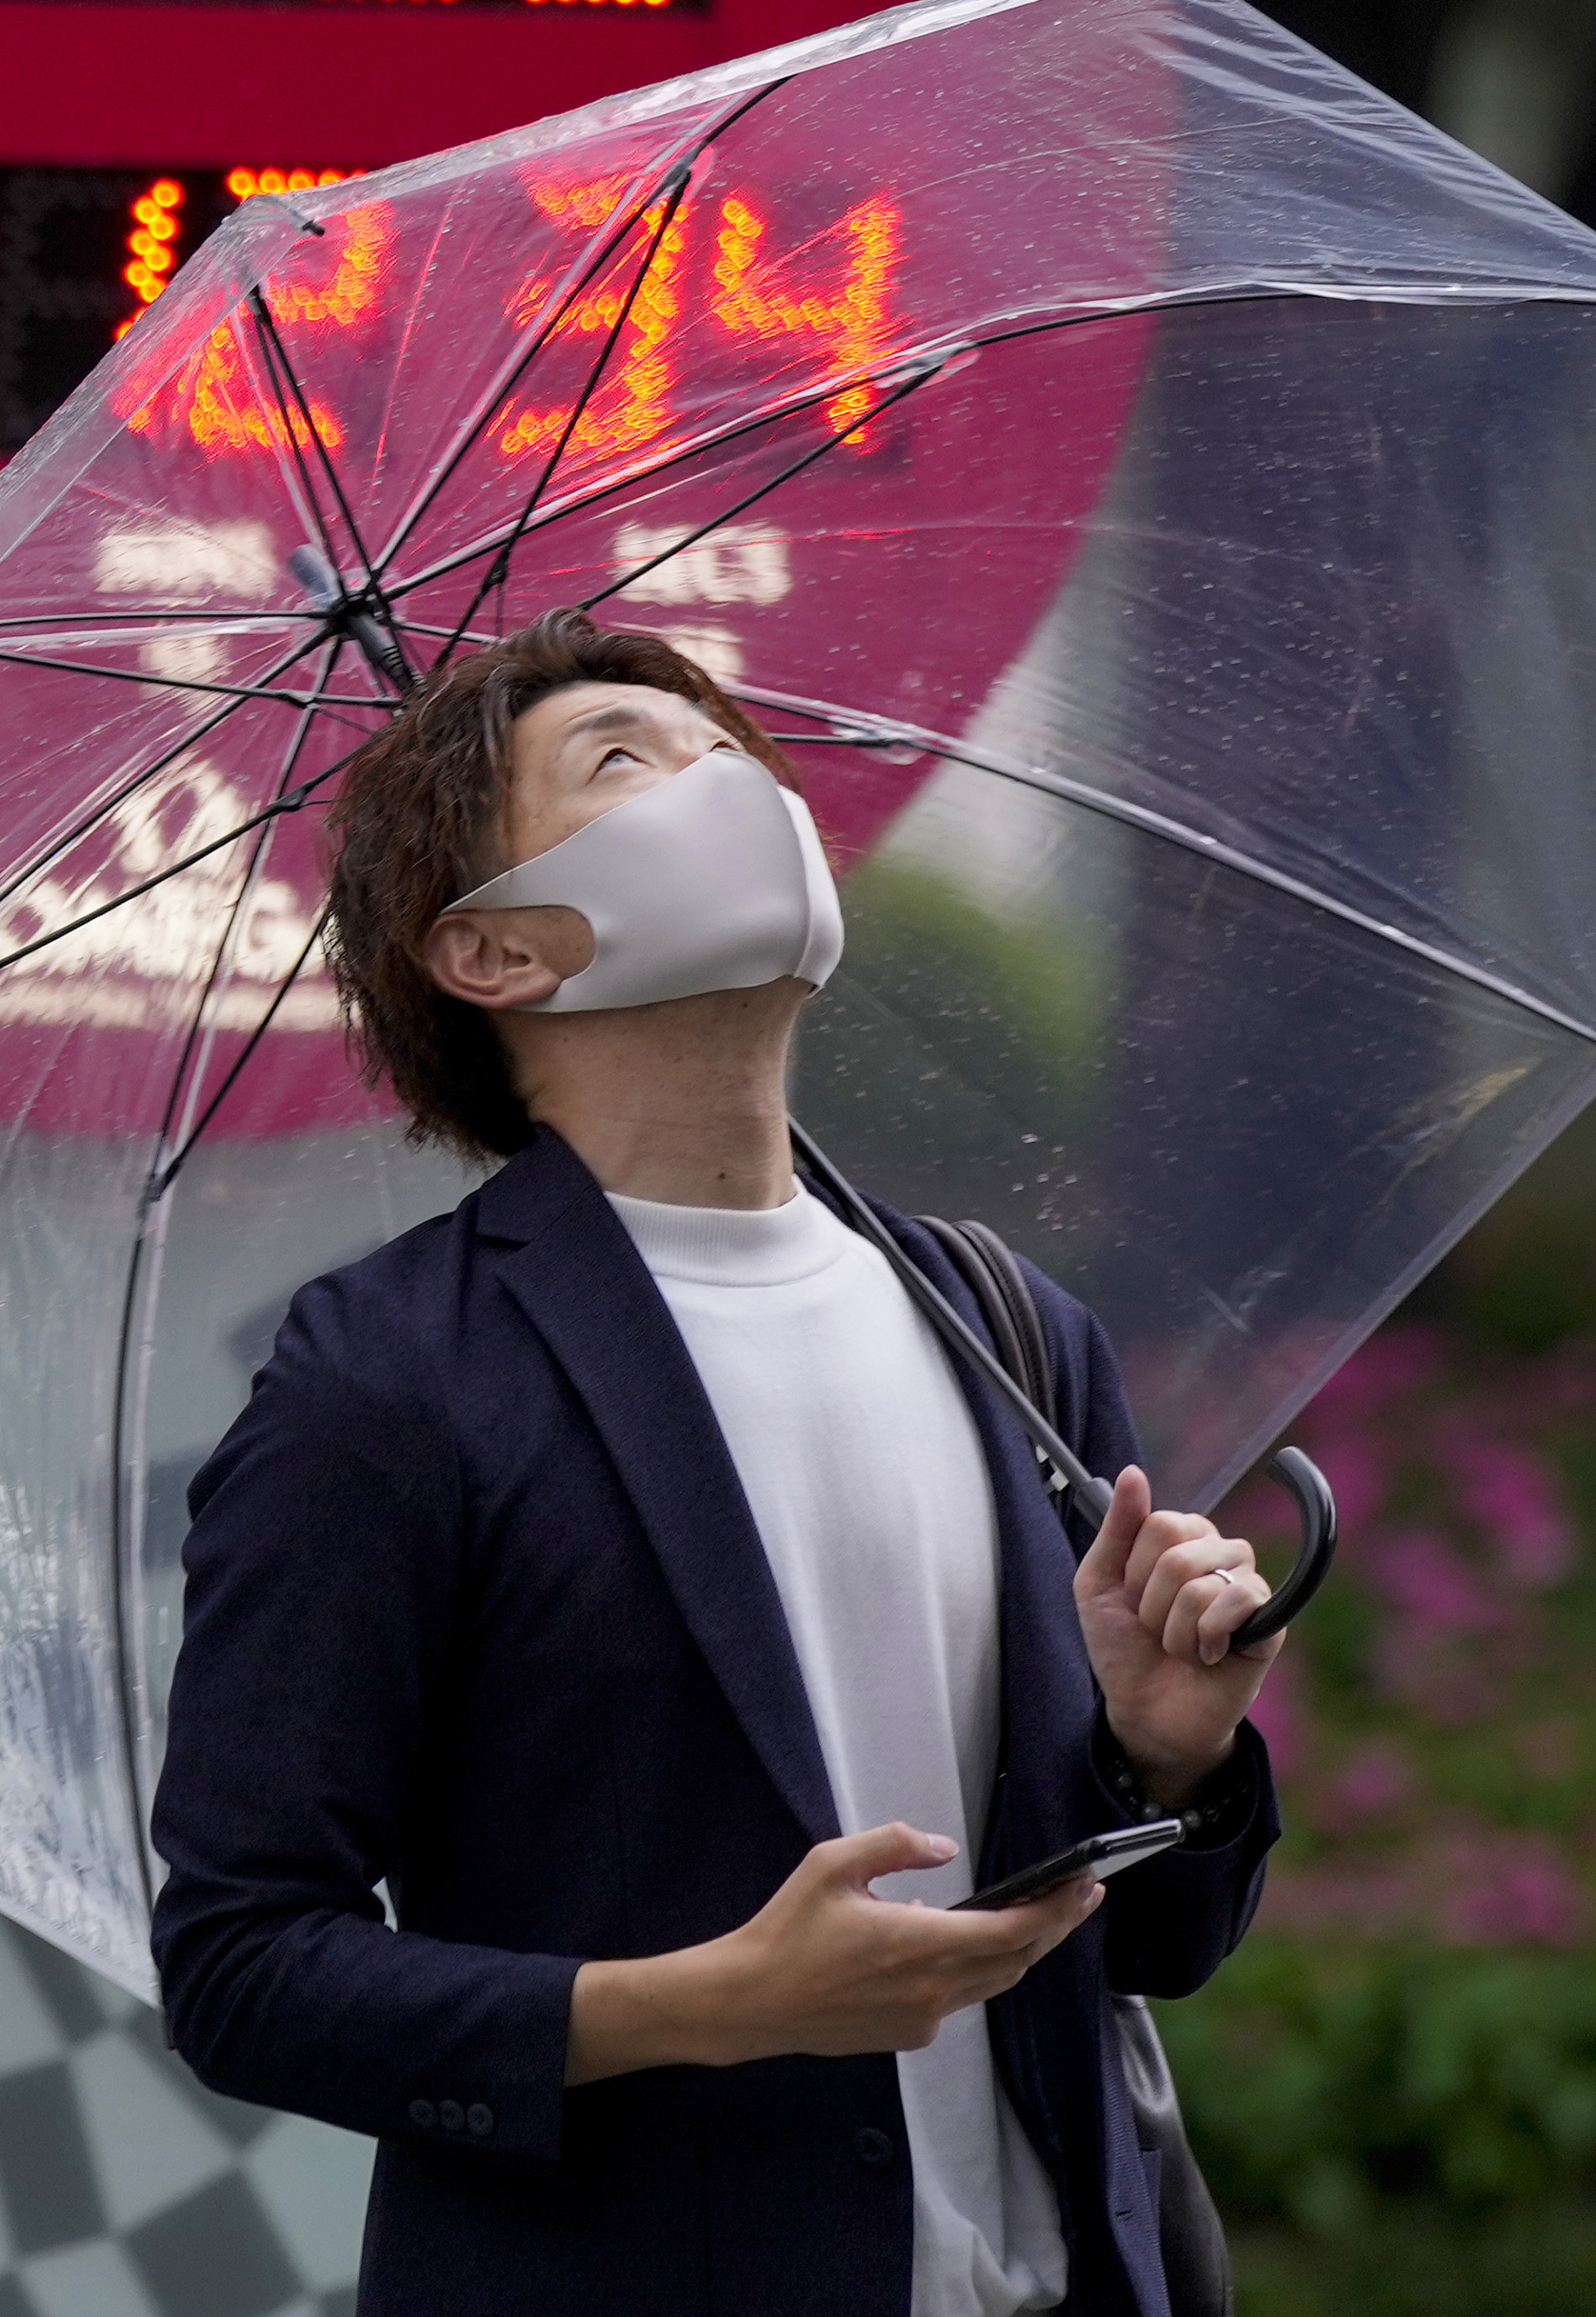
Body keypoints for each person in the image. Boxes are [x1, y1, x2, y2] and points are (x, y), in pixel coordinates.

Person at [152, 611, 1287, 2317]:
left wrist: (1157, 1762)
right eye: (626, 761)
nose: (731, 788)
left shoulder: (1004, 1323)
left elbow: (1148, 1949)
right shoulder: (388, 1378)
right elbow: (243, 1965)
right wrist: (706, 2002)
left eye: (727, 750)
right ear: (495, 956)